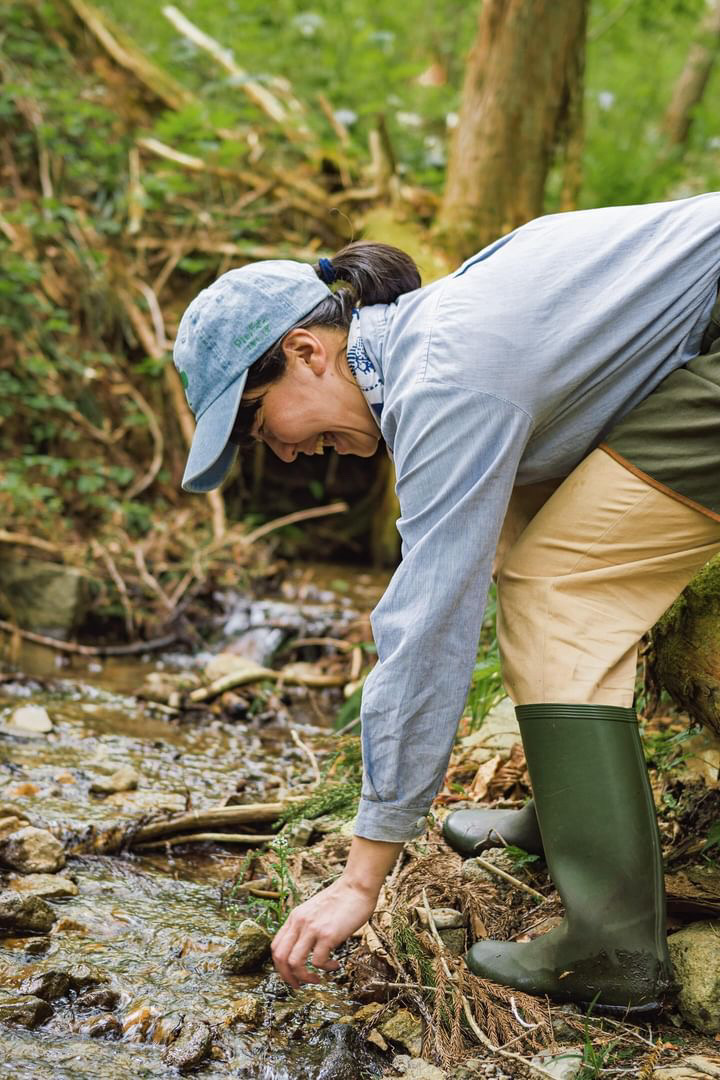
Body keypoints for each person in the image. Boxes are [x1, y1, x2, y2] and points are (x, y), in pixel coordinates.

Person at [173, 193, 720, 1015]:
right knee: (523, 527)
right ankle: (579, 812)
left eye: (257, 422)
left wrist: (363, 876)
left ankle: (612, 950)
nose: (281, 451)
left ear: (308, 351)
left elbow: (426, 626)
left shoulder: (446, 380)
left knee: (560, 590)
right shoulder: (436, 336)